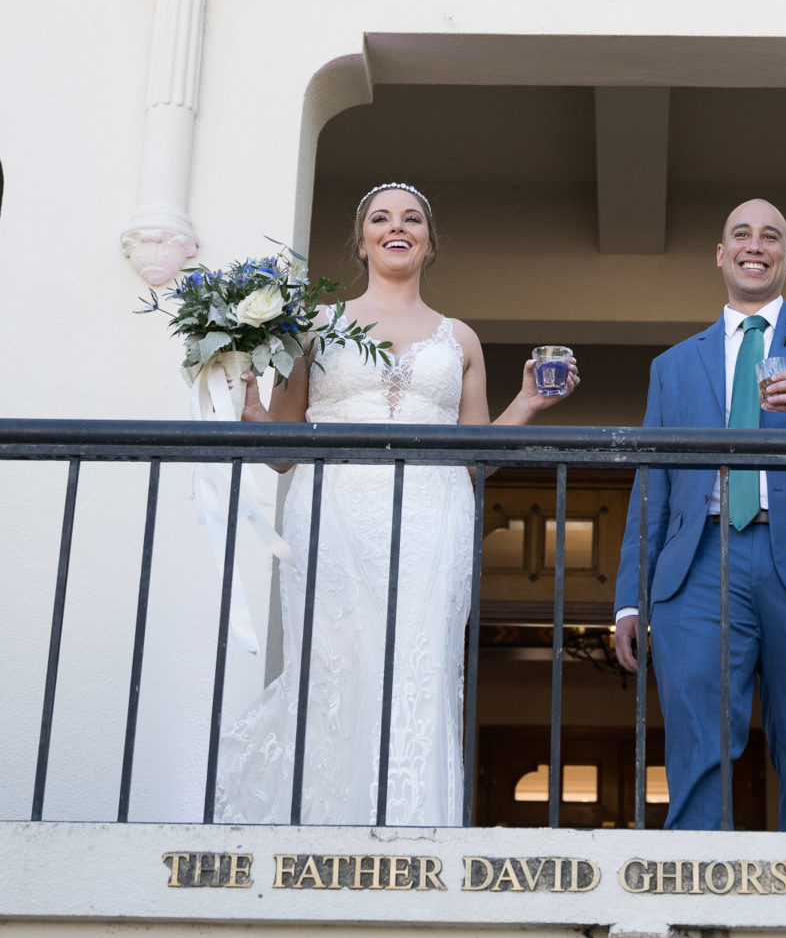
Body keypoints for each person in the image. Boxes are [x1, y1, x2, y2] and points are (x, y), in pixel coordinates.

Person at [216, 182, 578, 825]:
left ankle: (413, 827)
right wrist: (252, 412)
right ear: (361, 242)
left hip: (431, 518)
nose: (396, 227)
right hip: (334, 513)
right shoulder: (313, 327)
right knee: (332, 663)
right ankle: (318, 825)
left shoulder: (459, 338)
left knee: (422, 663)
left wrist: (526, 404)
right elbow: (281, 447)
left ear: (429, 243)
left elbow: (476, 458)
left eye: (411, 219)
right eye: (380, 219)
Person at [613, 197, 786, 832]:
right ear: (721, 255)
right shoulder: (673, 366)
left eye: (771, 237)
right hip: (700, 563)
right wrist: (631, 598)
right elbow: (652, 483)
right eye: (741, 234)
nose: (755, 244)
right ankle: (691, 878)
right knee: (697, 733)